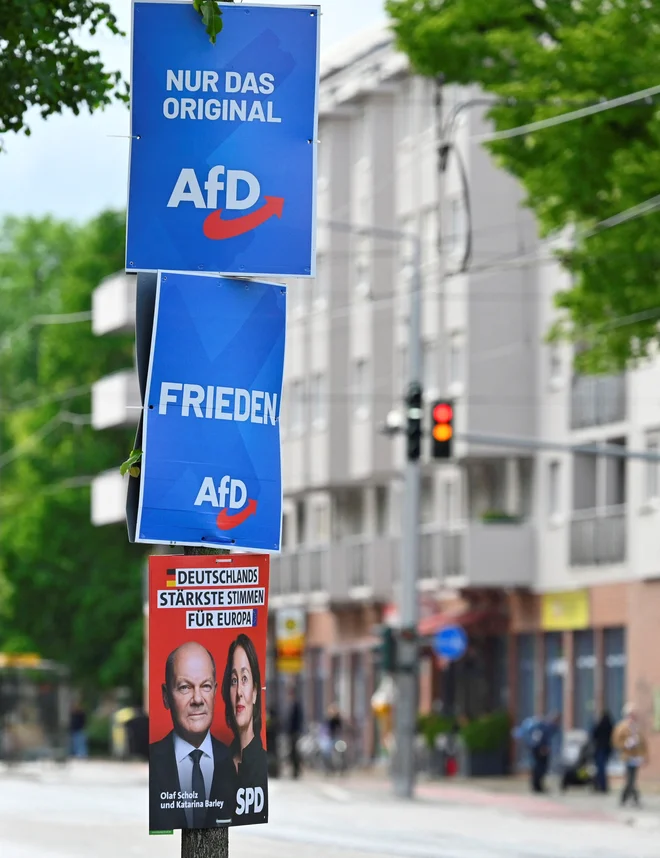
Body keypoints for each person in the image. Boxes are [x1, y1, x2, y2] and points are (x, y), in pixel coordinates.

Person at [149, 641, 235, 832]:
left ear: (215, 690)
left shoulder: (236, 761)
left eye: (205, 686)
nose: (197, 699)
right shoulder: (152, 759)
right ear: (166, 696)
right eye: (185, 687)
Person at [221, 633, 268, 825]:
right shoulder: (218, 763)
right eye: (234, 680)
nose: (239, 691)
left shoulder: (261, 762)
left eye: (245, 679)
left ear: (255, 692)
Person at [613, 703, 648, 807]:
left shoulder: (637, 728)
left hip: (635, 757)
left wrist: (644, 756)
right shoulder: (621, 727)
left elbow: (643, 744)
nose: (633, 717)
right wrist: (626, 743)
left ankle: (626, 798)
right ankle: (632, 799)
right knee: (630, 779)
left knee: (632, 779)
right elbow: (616, 741)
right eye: (631, 715)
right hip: (627, 756)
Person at [521, 712, 560, 794]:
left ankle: (537, 786)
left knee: (538, 768)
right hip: (540, 750)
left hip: (537, 748)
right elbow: (540, 738)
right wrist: (542, 747)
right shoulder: (545, 727)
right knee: (540, 768)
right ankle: (537, 786)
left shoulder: (545, 726)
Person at [592, 710, 614, 793]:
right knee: (603, 768)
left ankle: (600, 785)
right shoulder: (610, 726)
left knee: (600, 768)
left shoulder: (599, 725)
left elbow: (593, 735)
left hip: (600, 749)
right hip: (607, 749)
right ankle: (603, 786)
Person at [286, 683, 303, 779]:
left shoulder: (296, 705)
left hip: (294, 733)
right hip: (291, 732)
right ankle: (294, 770)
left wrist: (297, 731)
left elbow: (298, 719)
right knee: (292, 752)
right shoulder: (291, 704)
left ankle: (296, 771)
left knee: (295, 752)